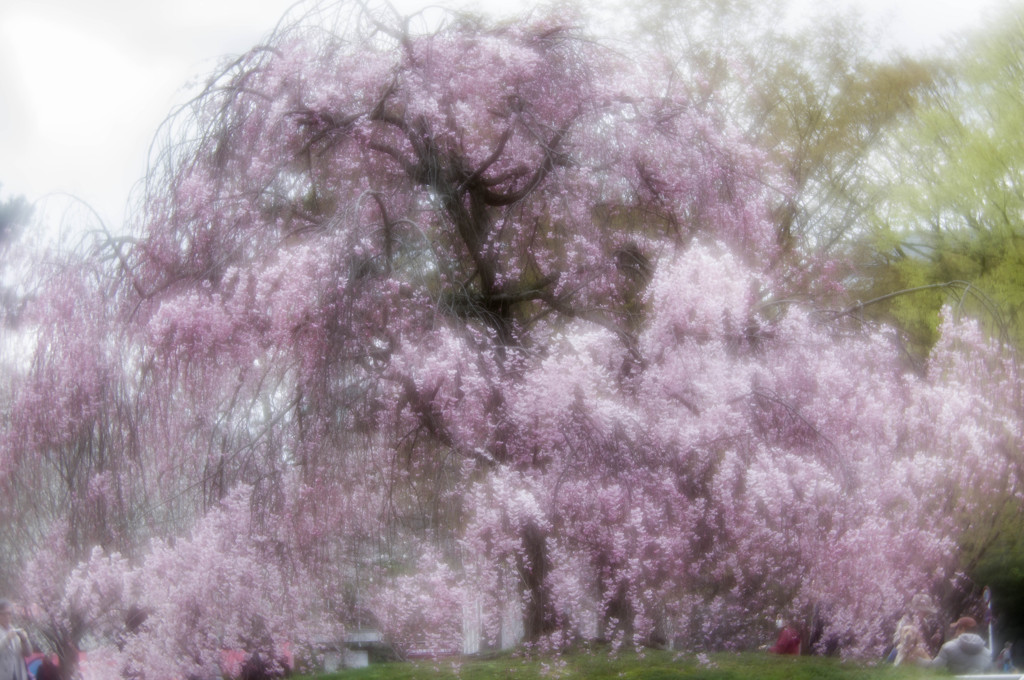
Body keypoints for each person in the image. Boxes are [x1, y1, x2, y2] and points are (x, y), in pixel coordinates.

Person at [0, 600, 29, 680]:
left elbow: (28, 654)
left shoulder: (15, 631)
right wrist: (7, 639)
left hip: (18, 675)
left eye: (9, 613)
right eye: (4, 614)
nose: (8, 616)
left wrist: (25, 640)